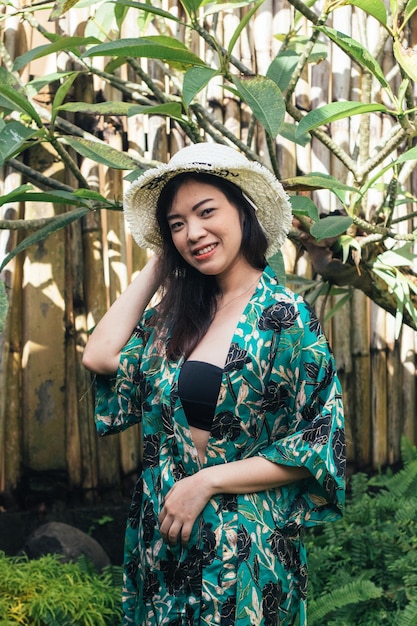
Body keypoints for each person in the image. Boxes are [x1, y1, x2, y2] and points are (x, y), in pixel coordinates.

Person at [82, 142, 345, 626]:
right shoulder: (174, 317)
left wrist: (206, 481)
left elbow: (316, 442)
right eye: (176, 225)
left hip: (245, 554)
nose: (193, 233)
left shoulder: (283, 318)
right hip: (164, 545)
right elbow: (99, 356)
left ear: (242, 212)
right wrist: (160, 263)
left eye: (206, 212)